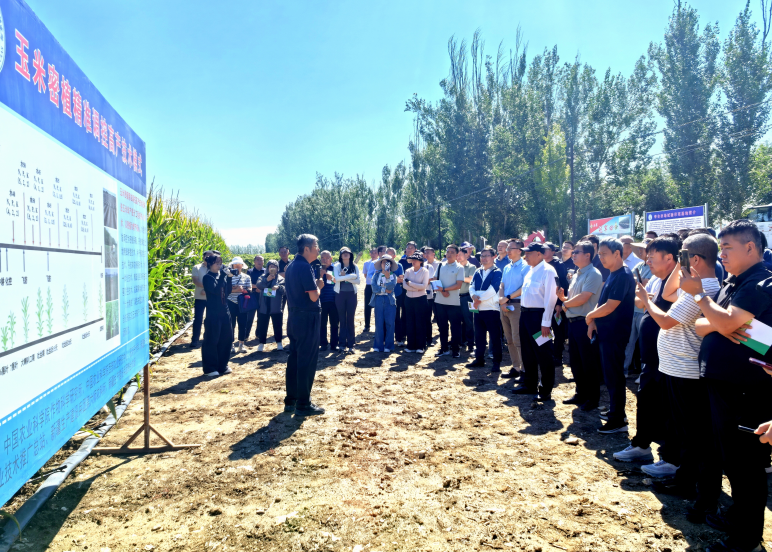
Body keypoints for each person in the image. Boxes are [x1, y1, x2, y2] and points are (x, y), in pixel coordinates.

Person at [684, 220, 772, 552]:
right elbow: (702, 325)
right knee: (732, 461)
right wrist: (723, 323)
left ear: (750, 247)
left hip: (746, 389)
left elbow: (724, 321)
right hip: (724, 385)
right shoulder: (734, 282)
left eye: (727, 248)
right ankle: (738, 519)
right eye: (720, 248)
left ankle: (746, 541)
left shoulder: (760, 282)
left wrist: (701, 298)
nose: (722, 254)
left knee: (745, 465)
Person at [631, 233, 723, 517]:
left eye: (682, 255)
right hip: (677, 368)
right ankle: (685, 478)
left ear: (693, 259)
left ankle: (692, 486)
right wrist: (681, 273)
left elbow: (666, 320)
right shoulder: (695, 285)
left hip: (686, 371)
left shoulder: (704, 287)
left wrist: (646, 301)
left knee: (693, 435)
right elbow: (670, 296)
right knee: (685, 432)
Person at [612, 236, 679, 470]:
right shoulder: (657, 281)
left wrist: (647, 302)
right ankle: (641, 445)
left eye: (651, 257)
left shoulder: (679, 284)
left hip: (671, 360)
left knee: (668, 409)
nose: (647, 261)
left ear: (669, 258)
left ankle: (670, 458)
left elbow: (660, 314)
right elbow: (639, 303)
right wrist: (644, 298)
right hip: (651, 359)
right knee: (646, 401)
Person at [585, 238, 635, 433]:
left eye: (604, 254)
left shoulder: (623, 275)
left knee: (614, 377)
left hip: (615, 334)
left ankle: (618, 420)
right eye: (599, 254)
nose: (601, 258)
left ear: (617, 253)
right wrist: (593, 321)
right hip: (606, 332)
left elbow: (611, 306)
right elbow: (602, 301)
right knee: (610, 376)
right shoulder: (613, 273)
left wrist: (590, 316)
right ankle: (616, 411)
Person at [557, 241, 603, 410]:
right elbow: (573, 298)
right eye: (574, 252)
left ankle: (592, 398)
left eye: (577, 252)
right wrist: (564, 299)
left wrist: (565, 304)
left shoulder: (594, 273)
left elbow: (584, 298)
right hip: (573, 322)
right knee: (576, 361)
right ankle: (581, 393)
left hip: (585, 322)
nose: (573, 254)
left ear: (587, 255)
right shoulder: (577, 273)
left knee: (588, 362)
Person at [284, 234, 325, 417]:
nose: (318, 249)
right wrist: (319, 286)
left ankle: (291, 400)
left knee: (294, 358)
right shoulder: (304, 266)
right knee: (306, 360)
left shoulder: (291, 266)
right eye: (316, 246)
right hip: (307, 317)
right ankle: (303, 403)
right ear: (307, 248)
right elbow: (314, 296)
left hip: (294, 317)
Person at [512, 242, 558, 401]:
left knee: (544, 353)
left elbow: (551, 299)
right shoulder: (530, 270)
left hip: (539, 317)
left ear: (539, 254)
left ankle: (545, 389)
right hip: (525, 315)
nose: (525, 256)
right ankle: (530, 384)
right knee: (527, 351)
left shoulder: (548, 271)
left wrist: (546, 322)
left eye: (529, 253)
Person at [467, 247, 503, 372]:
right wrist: (473, 297)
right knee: (479, 336)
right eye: (482, 256)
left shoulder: (497, 272)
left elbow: (493, 290)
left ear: (494, 257)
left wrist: (478, 299)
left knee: (495, 337)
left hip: (491, 309)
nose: (484, 258)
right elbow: (471, 286)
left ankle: (496, 362)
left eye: (487, 255)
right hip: (478, 309)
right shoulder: (478, 271)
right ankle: (479, 359)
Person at [499, 239, 529, 379]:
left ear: (519, 250)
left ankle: (524, 369)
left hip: (517, 305)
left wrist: (508, 297)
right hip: (504, 305)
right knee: (509, 339)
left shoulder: (525, 267)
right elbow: (502, 285)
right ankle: (516, 367)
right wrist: (502, 300)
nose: (508, 251)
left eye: (511, 248)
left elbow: (524, 287)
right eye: (508, 248)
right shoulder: (507, 267)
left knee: (518, 339)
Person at [201, 252, 233, 376]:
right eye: (216, 263)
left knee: (226, 338)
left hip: (225, 311)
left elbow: (227, 292)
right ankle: (210, 368)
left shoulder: (221, 276)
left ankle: (222, 366)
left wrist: (229, 277)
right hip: (213, 313)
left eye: (220, 263)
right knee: (212, 339)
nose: (219, 266)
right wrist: (223, 276)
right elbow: (215, 291)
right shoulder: (207, 278)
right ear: (210, 264)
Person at [432, 245, 465, 358]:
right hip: (439, 301)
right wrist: (442, 291)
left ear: (457, 255)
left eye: (452, 252)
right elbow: (435, 280)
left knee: (455, 326)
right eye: (448, 252)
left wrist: (444, 289)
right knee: (442, 326)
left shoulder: (459, 268)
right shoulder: (440, 265)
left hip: (454, 303)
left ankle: (455, 349)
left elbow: (458, 285)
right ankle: (444, 348)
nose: (449, 254)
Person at [331, 247, 361, 353]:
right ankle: (342, 344)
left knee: (350, 319)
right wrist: (351, 276)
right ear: (340, 255)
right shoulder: (337, 266)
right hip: (340, 295)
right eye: (343, 253)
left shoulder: (355, 266)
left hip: (352, 295)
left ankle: (351, 344)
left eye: (347, 252)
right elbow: (337, 279)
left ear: (350, 254)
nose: (345, 254)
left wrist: (345, 277)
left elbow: (358, 281)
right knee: (342, 319)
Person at [545, 243, 569, 367]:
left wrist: (559, 303)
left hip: (555, 304)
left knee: (558, 331)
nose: (543, 251)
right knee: (544, 329)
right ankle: (546, 353)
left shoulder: (559, 265)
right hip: (543, 303)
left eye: (546, 249)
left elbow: (563, 284)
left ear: (553, 252)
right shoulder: (540, 263)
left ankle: (558, 356)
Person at [254, 259, 286, 352]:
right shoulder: (262, 277)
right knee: (262, 326)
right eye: (270, 266)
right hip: (264, 307)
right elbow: (259, 285)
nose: (272, 268)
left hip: (276, 307)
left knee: (278, 325)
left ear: (277, 268)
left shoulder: (281, 278)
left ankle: (279, 343)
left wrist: (279, 287)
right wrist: (267, 280)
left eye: (274, 266)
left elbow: (285, 291)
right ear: (267, 268)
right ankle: (261, 343)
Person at [403, 252, 430, 353]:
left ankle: (420, 346)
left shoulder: (425, 271)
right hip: (409, 299)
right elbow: (404, 286)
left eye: (415, 260)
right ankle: (410, 345)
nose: (413, 262)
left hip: (420, 299)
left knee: (420, 322)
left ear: (420, 261)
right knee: (410, 322)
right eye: (412, 260)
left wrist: (410, 284)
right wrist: (416, 288)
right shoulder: (408, 271)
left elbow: (424, 286)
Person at [370, 254, 398, 353]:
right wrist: (384, 289)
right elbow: (374, 288)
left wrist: (388, 277)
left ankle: (389, 346)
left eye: (387, 263)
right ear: (381, 263)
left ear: (390, 265)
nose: (385, 264)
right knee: (379, 323)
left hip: (389, 300)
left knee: (390, 323)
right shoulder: (376, 275)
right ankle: (378, 345)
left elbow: (391, 288)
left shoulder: (393, 275)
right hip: (378, 299)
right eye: (383, 262)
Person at [226, 257, 253, 354]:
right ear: (232, 265)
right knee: (231, 324)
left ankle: (241, 344)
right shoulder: (228, 277)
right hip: (230, 302)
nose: (237, 266)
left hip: (243, 303)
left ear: (242, 265)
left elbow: (250, 289)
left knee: (243, 324)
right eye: (235, 264)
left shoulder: (246, 277)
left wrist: (242, 290)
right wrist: (235, 290)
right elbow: (225, 290)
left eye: (239, 264)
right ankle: (231, 344)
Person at [395, 242, 417, 347]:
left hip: (416, 290)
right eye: (408, 248)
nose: (409, 249)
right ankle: (402, 334)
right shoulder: (401, 262)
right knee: (403, 312)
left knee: (412, 312)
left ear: (415, 250)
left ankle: (413, 334)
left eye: (411, 248)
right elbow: (400, 276)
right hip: (403, 290)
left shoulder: (418, 261)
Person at [190, 250, 213, 349]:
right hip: (200, 298)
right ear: (203, 257)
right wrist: (208, 287)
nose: (208, 258)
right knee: (198, 319)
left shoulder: (215, 267)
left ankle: (207, 338)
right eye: (207, 256)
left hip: (211, 298)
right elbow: (196, 281)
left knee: (210, 319)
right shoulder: (197, 267)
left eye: (211, 256)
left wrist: (207, 290)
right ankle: (195, 339)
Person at [318, 251, 339, 352]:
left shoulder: (335, 268)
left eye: (327, 258)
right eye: (322, 258)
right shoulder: (317, 269)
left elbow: (339, 281)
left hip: (334, 299)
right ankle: (323, 343)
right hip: (321, 300)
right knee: (322, 323)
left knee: (334, 323)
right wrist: (320, 276)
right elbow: (314, 284)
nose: (324, 260)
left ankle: (334, 344)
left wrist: (333, 278)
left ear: (331, 259)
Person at [458, 246, 478, 353]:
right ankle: (461, 341)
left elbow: (470, 280)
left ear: (466, 255)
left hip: (468, 297)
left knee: (470, 320)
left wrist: (457, 278)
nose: (458, 257)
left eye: (460, 255)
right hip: (455, 297)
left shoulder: (472, 267)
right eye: (457, 255)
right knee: (457, 320)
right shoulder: (455, 266)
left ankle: (471, 343)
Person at [423, 247, 439, 349]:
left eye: (428, 253)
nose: (426, 255)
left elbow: (435, 279)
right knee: (426, 317)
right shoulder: (423, 265)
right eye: (425, 253)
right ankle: (427, 338)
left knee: (438, 315)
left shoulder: (439, 264)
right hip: (426, 294)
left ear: (433, 254)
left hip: (437, 292)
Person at [247, 255, 266, 342]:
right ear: (254, 261)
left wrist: (261, 288)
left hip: (263, 296)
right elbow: (248, 284)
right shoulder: (249, 272)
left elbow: (269, 284)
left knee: (261, 316)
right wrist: (257, 287)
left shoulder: (266, 271)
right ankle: (246, 335)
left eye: (261, 260)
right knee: (249, 316)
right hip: (252, 296)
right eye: (257, 260)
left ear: (263, 262)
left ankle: (258, 334)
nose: (259, 262)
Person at [362, 247, 379, 332]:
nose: (374, 254)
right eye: (372, 252)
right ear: (370, 253)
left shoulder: (380, 262)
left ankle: (378, 326)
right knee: (367, 306)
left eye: (375, 252)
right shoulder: (366, 263)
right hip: (369, 286)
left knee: (378, 306)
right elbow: (365, 275)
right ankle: (367, 325)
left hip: (378, 286)